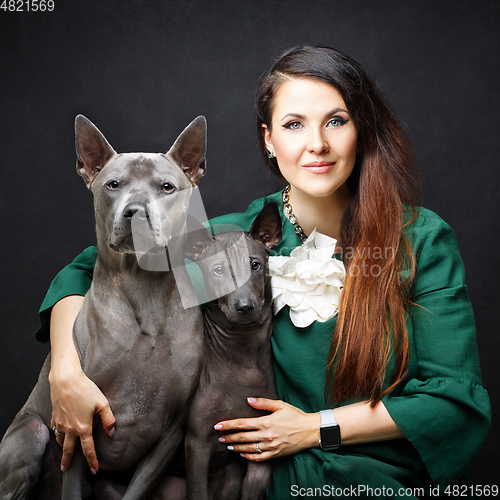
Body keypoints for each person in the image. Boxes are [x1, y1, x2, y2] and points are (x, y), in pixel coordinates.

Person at [36, 46, 490, 496]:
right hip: (254, 480)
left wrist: (315, 429)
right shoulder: (231, 240)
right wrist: (66, 372)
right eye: (294, 124)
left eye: (336, 120)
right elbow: (87, 272)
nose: (317, 144)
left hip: (373, 478)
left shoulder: (420, 240)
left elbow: (450, 401)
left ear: (362, 129)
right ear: (270, 139)